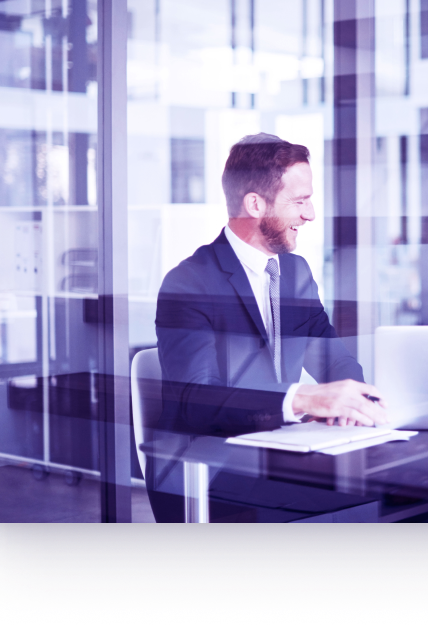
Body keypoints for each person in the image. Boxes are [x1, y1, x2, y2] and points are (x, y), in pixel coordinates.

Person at [148, 133, 388, 521]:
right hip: (210, 467)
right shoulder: (189, 283)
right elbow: (198, 401)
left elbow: (334, 359)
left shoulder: (295, 273)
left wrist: (352, 401)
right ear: (255, 204)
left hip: (282, 454)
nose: (309, 214)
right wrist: (302, 401)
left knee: (404, 492)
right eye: (299, 201)